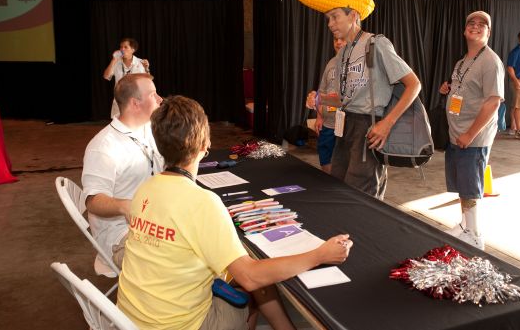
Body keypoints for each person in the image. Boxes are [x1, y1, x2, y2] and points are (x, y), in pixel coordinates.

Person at [117, 95, 353, 330]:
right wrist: (320, 255)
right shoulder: (202, 202)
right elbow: (250, 277)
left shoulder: (144, 189)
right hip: (180, 325)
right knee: (256, 288)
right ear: (205, 143)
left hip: (131, 318)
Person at [293, 0, 421, 200]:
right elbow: (343, 99)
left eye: (335, 17)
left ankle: (365, 233)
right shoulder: (343, 54)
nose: (330, 24)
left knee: (362, 195)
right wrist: (320, 98)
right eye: (328, 19)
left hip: (369, 126)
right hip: (345, 128)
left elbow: (414, 84)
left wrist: (386, 124)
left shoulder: (376, 44)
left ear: (353, 15)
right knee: (340, 185)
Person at [82, 73, 164, 268]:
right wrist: (125, 206)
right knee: (181, 260)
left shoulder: (149, 129)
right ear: (135, 104)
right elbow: (92, 201)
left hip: (155, 221)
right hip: (121, 235)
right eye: (153, 94)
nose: (160, 99)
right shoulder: (103, 146)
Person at [439, 11, 504, 250]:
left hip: (472, 136)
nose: (476, 27)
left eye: (482, 25)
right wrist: (447, 88)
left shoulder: (490, 61)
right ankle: (465, 225)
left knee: (470, 185)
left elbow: (493, 101)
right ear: (465, 30)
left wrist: (470, 134)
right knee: (461, 183)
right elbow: (464, 89)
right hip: (457, 132)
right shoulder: (463, 61)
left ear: (488, 32)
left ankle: (475, 234)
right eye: (471, 23)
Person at [305, 37, 347, 173]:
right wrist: (319, 116)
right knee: (325, 158)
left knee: (344, 160)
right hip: (328, 123)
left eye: (343, 39)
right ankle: (329, 184)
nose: (338, 43)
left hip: (347, 125)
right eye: (335, 40)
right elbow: (321, 91)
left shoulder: (356, 63)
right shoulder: (331, 63)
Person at [103, 37, 151, 118]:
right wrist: (114, 60)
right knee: (118, 125)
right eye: (121, 47)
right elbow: (106, 76)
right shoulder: (116, 62)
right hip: (120, 99)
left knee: (135, 125)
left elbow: (147, 81)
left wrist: (146, 68)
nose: (122, 49)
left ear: (133, 49)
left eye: (125, 47)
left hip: (136, 99)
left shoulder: (140, 62)